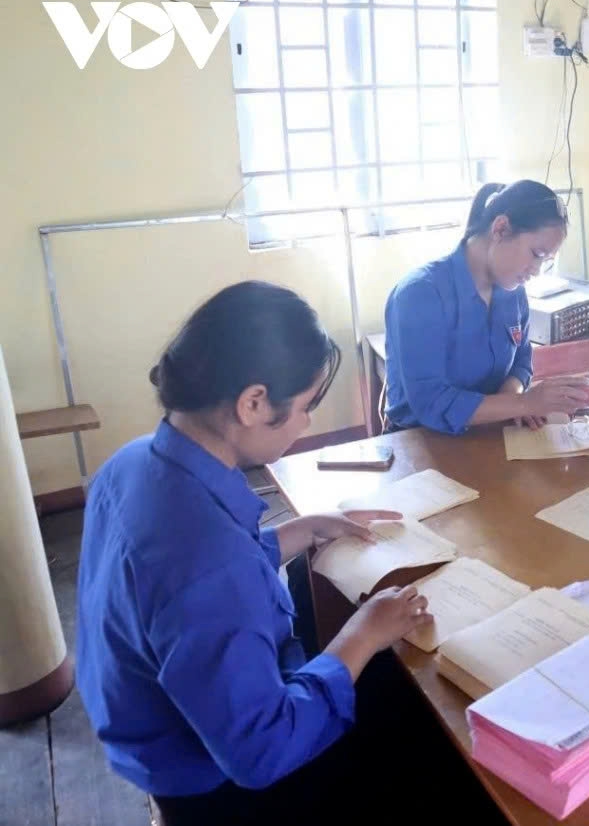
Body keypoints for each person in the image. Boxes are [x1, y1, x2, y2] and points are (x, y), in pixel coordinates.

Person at [75, 282, 502, 825]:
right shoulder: (208, 560)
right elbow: (261, 752)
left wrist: (302, 530)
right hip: (216, 784)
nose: (307, 424)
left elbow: (171, 592)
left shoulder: (133, 463)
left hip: (149, 726)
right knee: (433, 726)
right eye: (305, 407)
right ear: (253, 403)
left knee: (360, 648)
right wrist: (363, 633)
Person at [384, 180, 589, 434]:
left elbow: (522, 362)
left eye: (546, 262)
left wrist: (514, 405)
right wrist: (522, 403)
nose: (537, 271)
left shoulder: (512, 293)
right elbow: (432, 402)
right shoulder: (420, 294)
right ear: (501, 228)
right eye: (536, 254)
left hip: (491, 433)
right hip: (421, 441)